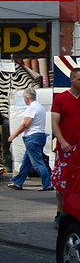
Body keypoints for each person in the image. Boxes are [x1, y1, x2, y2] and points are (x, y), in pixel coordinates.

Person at [6, 87, 52, 191]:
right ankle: (18, 182)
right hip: (40, 135)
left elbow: (25, 124)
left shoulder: (32, 108)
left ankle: (47, 183)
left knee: (37, 162)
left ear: (26, 98)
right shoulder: (40, 107)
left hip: (32, 137)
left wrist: (13, 135)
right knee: (26, 161)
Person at [51, 67, 80, 227]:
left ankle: (74, 212)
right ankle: (60, 212)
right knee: (61, 182)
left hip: (79, 148)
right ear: (72, 79)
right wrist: (62, 141)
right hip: (66, 147)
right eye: (79, 79)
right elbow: (55, 122)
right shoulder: (61, 99)